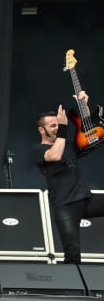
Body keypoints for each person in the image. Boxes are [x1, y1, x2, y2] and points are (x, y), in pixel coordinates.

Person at [33, 91, 104, 264]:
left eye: (58, 125)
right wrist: (64, 128)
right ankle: (75, 289)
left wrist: (84, 106)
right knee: (72, 252)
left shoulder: (70, 146)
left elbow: (91, 137)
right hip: (65, 207)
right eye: (52, 126)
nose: (57, 128)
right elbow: (55, 156)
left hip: (86, 200)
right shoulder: (38, 150)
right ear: (41, 130)